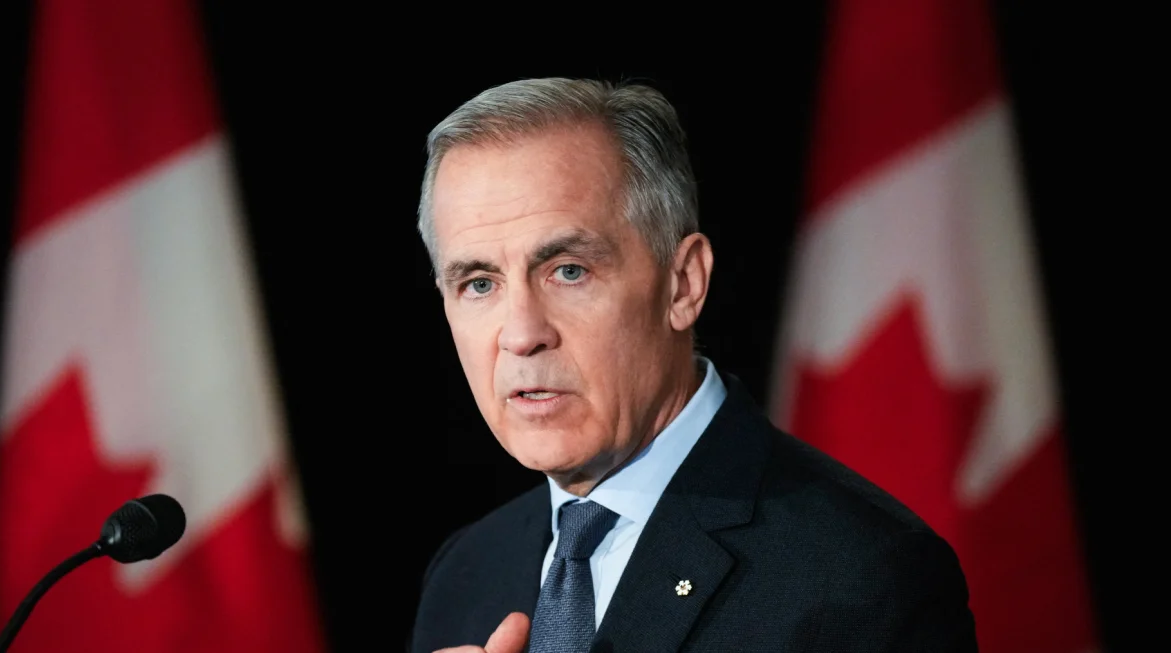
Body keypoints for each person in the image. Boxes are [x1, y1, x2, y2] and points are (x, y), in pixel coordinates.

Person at [408, 78, 977, 653]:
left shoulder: (865, 579)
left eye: (569, 270)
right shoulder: (467, 572)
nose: (523, 335)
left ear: (683, 284)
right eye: (479, 283)